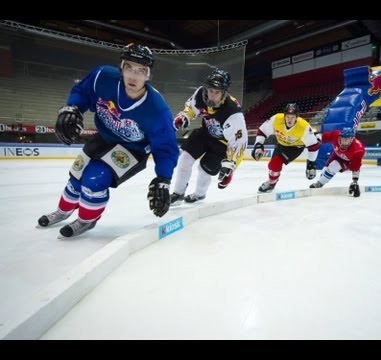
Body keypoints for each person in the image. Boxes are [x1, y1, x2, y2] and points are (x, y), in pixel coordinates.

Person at [38, 43, 179, 238]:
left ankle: (87, 219)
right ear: (121, 66)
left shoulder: (157, 110)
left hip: (132, 149)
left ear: (148, 75)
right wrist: (73, 108)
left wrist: (163, 178)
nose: (133, 75)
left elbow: (166, 148)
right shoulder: (102, 77)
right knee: (77, 172)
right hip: (104, 136)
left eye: (141, 71)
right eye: (129, 67)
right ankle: (64, 210)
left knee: (95, 179)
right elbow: (82, 91)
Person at [170, 68, 247, 204]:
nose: (212, 95)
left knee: (204, 169)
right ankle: (178, 193)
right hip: (205, 134)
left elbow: (239, 143)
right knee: (184, 160)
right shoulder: (201, 93)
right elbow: (191, 108)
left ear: (224, 93)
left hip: (222, 145)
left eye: (217, 92)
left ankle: (199, 194)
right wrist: (183, 117)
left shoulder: (233, 112)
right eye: (210, 90)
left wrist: (230, 167)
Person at [252, 103, 320, 193]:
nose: (289, 120)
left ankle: (271, 183)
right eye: (288, 116)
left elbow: (313, 146)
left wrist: (311, 164)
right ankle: (273, 181)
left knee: (275, 163)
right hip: (281, 144)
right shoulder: (276, 119)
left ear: (297, 117)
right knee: (272, 166)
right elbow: (262, 131)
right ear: (284, 116)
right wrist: (258, 145)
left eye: (292, 117)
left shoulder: (304, 127)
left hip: (295, 147)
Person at [309, 127, 365, 197]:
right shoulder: (335, 135)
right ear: (340, 137)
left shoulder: (358, 149)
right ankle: (321, 181)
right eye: (343, 139)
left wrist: (355, 182)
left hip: (347, 161)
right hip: (336, 155)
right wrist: (316, 138)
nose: (344, 142)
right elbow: (324, 137)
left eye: (347, 139)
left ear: (351, 139)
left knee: (334, 166)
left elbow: (355, 167)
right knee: (324, 173)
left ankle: (319, 183)